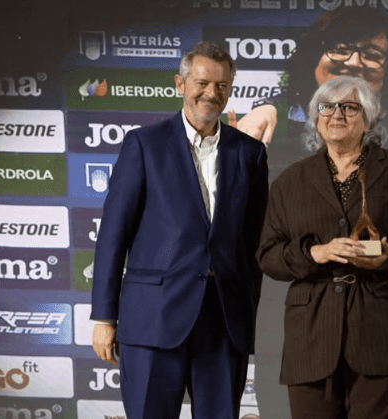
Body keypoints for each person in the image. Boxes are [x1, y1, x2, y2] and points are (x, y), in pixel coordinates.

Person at [90, 42, 269, 419]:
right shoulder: (144, 144)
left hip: (224, 323)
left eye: (222, 85)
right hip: (153, 319)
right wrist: (104, 317)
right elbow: (112, 236)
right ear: (180, 84)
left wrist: (247, 314)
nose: (211, 93)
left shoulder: (250, 153)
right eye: (202, 83)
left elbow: (254, 244)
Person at [257, 76, 388, 419]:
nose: (336, 115)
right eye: (327, 107)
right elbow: (268, 255)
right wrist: (314, 253)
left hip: (384, 339)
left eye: (349, 107)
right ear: (316, 118)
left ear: (369, 119)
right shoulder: (289, 181)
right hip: (311, 340)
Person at [228, 6, 388, 175]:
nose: (353, 62)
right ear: (312, 59)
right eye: (341, 49)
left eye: (372, 55)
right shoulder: (273, 127)